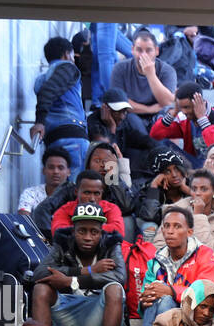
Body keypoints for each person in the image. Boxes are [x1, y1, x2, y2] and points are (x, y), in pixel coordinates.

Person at [28, 201, 125, 326]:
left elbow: (120, 277)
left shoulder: (112, 244)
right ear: (73, 230)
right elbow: (39, 274)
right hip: (70, 318)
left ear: (101, 231)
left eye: (94, 232)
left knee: (114, 289)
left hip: (100, 315)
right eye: (82, 231)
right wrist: (86, 271)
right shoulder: (63, 244)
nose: (88, 237)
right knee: (41, 288)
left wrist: (71, 281)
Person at [135, 205, 214, 326]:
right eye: (167, 226)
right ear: (162, 230)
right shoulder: (155, 261)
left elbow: (207, 292)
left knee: (166, 300)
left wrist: (170, 291)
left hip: (198, 317)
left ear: (189, 232)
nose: (170, 231)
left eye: (177, 226)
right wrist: (145, 300)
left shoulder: (205, 254)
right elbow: (145, 297)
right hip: (161, 314)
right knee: (155, 301)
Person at [31, 36, 89, 175]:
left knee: (59, 190)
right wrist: (39, 121)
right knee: (75, 189)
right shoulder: (67, 67)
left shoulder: (40, 80)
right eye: (72, 54)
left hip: (53, 140)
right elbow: (49, 91)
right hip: (72, 137)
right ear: (66, 54)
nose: (74, 59)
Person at [149, 81, 214, 163]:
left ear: (198, 103)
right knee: (162, 144)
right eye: (181, 108)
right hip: (194, 163)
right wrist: (174, 112)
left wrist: (202, 119)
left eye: (187, 107)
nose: (184, 111)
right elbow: (155, 135)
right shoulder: (185, 120)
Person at [37, 170, 126, 240]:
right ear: (76, 192)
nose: (92, 199)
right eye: (87, 193)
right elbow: (59, 233)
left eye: (97, 193)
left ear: (102, 193)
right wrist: (96, 230)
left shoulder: (111, 208)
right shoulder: (65, 210)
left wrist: (81, 230)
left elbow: (119, 231)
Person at [133, 150, 199, 244]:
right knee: (149, 226)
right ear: (160, 175)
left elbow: (204, 205)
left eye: (177, 169)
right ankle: (149, 256)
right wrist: (154, 186)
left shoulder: (193, 184)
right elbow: (149, 216)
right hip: (162, 234)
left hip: (188, 233)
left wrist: (187, 190)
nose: (174, 175)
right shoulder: (150, 190)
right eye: (168, 171)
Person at [86, 87, 157, 175]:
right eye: (117, 112)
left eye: (124, 112)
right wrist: (112, 128)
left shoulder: (122, 123)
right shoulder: (94, 125)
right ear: (105, 109)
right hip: (104, 176)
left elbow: (141, 139)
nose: (122, 116)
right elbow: (109, 156)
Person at [110, 28, 177, 116]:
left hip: (158, 116)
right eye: (139, 50)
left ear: (156, 51)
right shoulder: (120, 68)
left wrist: (151, 75)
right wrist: (149, 109)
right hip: (130, 115)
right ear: (132, 50)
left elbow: (167, 102)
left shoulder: (167, 71)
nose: (143, 55)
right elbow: (118, 102)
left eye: (149, 50)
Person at [18, 147, 71, 216]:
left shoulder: (75, 195)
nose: (56, 171)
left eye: (60, 168)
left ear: (68, 172)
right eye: (51, 167)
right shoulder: (30, 193)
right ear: (43, 170)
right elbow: (24, 220)